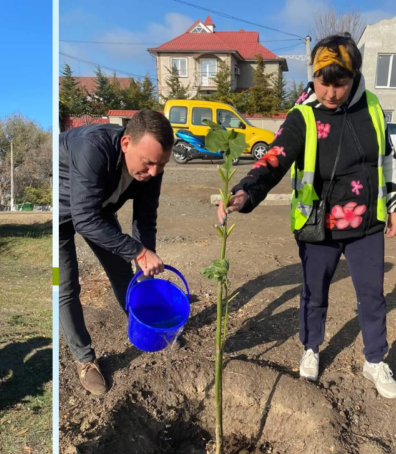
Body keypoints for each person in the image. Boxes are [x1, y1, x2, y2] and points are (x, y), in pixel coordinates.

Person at [217, 34, 396, 396]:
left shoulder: (373, 109)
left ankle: (374, 360)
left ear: (354, 77)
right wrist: (245, 191)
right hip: (318, 226)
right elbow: (274, 158)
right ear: (313, 76)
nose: (330, 92)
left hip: (367, 226)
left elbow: (388, 161)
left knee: (372, 295)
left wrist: (393, 205)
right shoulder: (303, 116)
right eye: (322, 82)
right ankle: (311, 348)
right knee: (314, 292)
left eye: (339, 83)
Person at [58, 109, 174, 395]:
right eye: (148, 164)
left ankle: (143, 322)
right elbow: (83, 220)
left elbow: (144, 221)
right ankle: (84, 360)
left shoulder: (153, 166)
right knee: (62, 286)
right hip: (59, 217)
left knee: (124, 273)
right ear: (126, 144)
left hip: (97, 211)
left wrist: (144, 258)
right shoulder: (92, 148)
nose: (154, 173)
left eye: (160, 166)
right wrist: (137, 251)